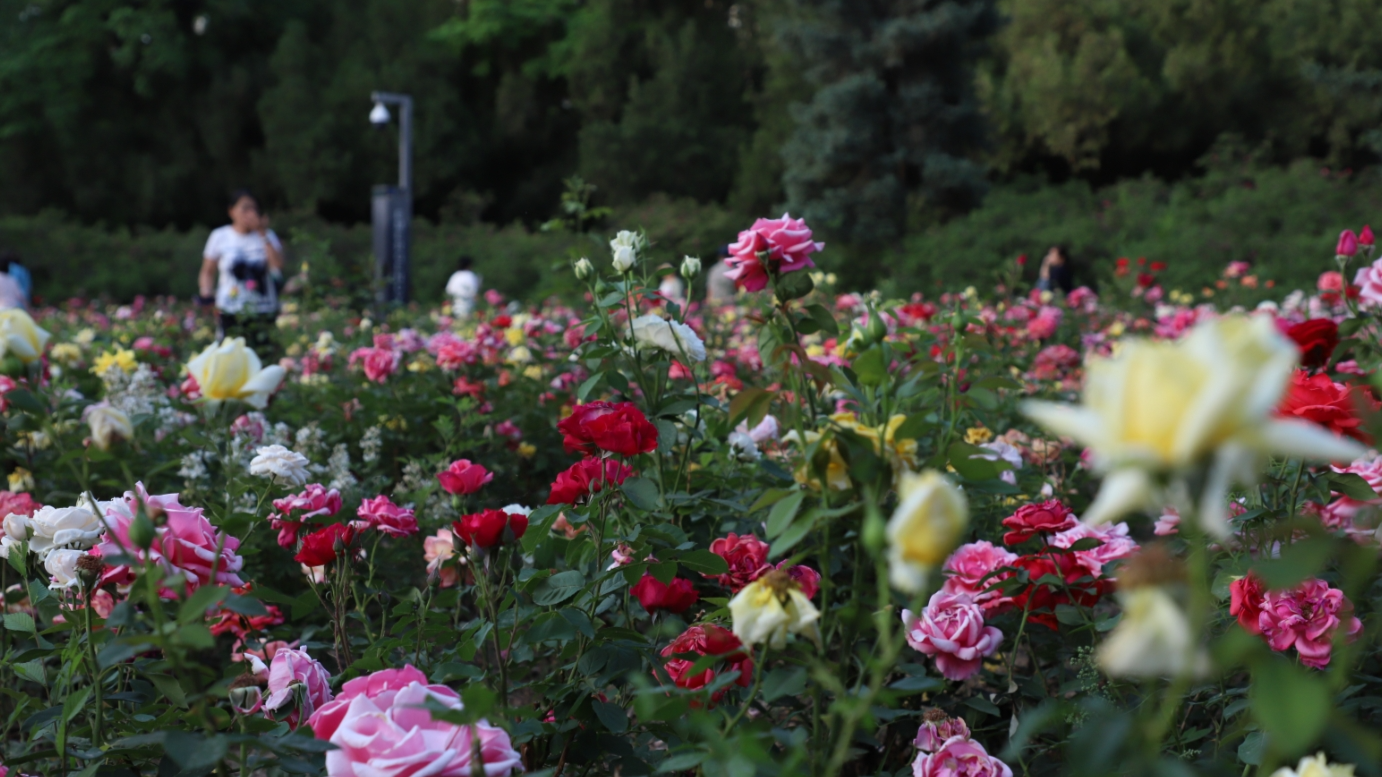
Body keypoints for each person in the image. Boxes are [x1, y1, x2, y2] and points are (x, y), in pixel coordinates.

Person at [198, 189, 284, 349]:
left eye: (254, 209)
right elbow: (207, 271)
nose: (250, 213)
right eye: (245, 208)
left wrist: (262, 233)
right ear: (231, 211)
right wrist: (207, 295)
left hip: (263, 307)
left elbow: (277, 266)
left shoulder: (268, 235)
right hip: (231, 308)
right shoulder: (220, 236)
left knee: (264, 353)